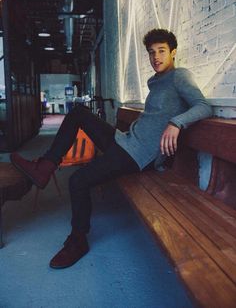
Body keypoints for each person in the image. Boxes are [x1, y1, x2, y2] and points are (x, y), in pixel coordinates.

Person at [10, 29, 212, 269]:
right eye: (151, 52)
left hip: (138, 155)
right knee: (77, 113)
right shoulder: (156, 82)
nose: (156, 57)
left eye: (161, 51)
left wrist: (176, 123)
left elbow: (203, 106)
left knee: (77, 181)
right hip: (126, 140)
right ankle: (45, 167)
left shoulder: (180, 77)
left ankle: (77, 241)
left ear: (173, 52)